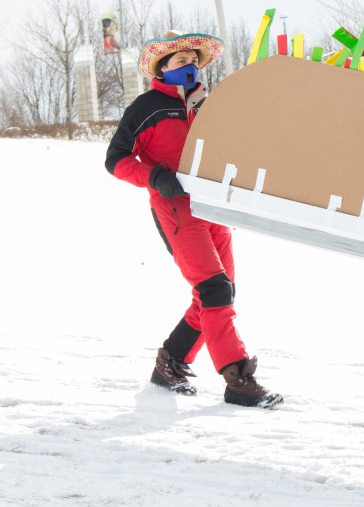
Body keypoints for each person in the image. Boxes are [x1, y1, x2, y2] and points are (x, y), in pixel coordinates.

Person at [104, 30, 282, 409]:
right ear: (163, 67)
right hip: (175, 210)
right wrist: (154, 177)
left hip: (214, 207)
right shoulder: (146, 106)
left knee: (221, 291)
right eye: (181, 61)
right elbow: (115, 159)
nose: (189, 67)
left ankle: (170, 363)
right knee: (214, 289)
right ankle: (237, 378)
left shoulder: (209, 106)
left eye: (193, 61)